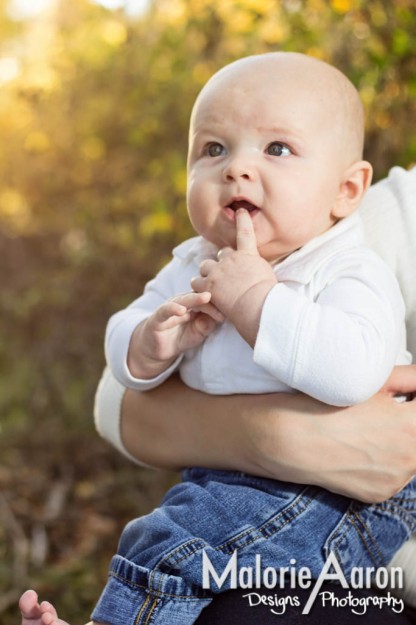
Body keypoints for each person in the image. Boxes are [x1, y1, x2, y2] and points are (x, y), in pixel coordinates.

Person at [19, 53, 416, 625]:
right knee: (160, 546)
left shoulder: (348, 267)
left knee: (173, 552)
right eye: (213, 149)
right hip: (232, 482)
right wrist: (150, 345)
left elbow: (353, 371)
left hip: (341, 501)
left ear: (346, 191)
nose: (236, 169)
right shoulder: (196, 262)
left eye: (276, 149)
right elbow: (119, 366)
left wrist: (256, 302)